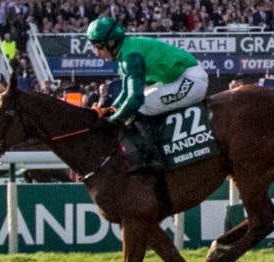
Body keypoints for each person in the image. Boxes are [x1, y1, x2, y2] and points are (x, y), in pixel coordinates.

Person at [86, 15, 208, 166]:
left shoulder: (130, 56)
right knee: (141, 102)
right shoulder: (126, 50)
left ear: (111, 43)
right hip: (180, 78)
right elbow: (125, 92)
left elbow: (135, 99)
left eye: (98, 46)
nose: (97, 53)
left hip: (191, 80)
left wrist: (112, 120)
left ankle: (155, 157)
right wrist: (110, 110)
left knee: (142, 105)